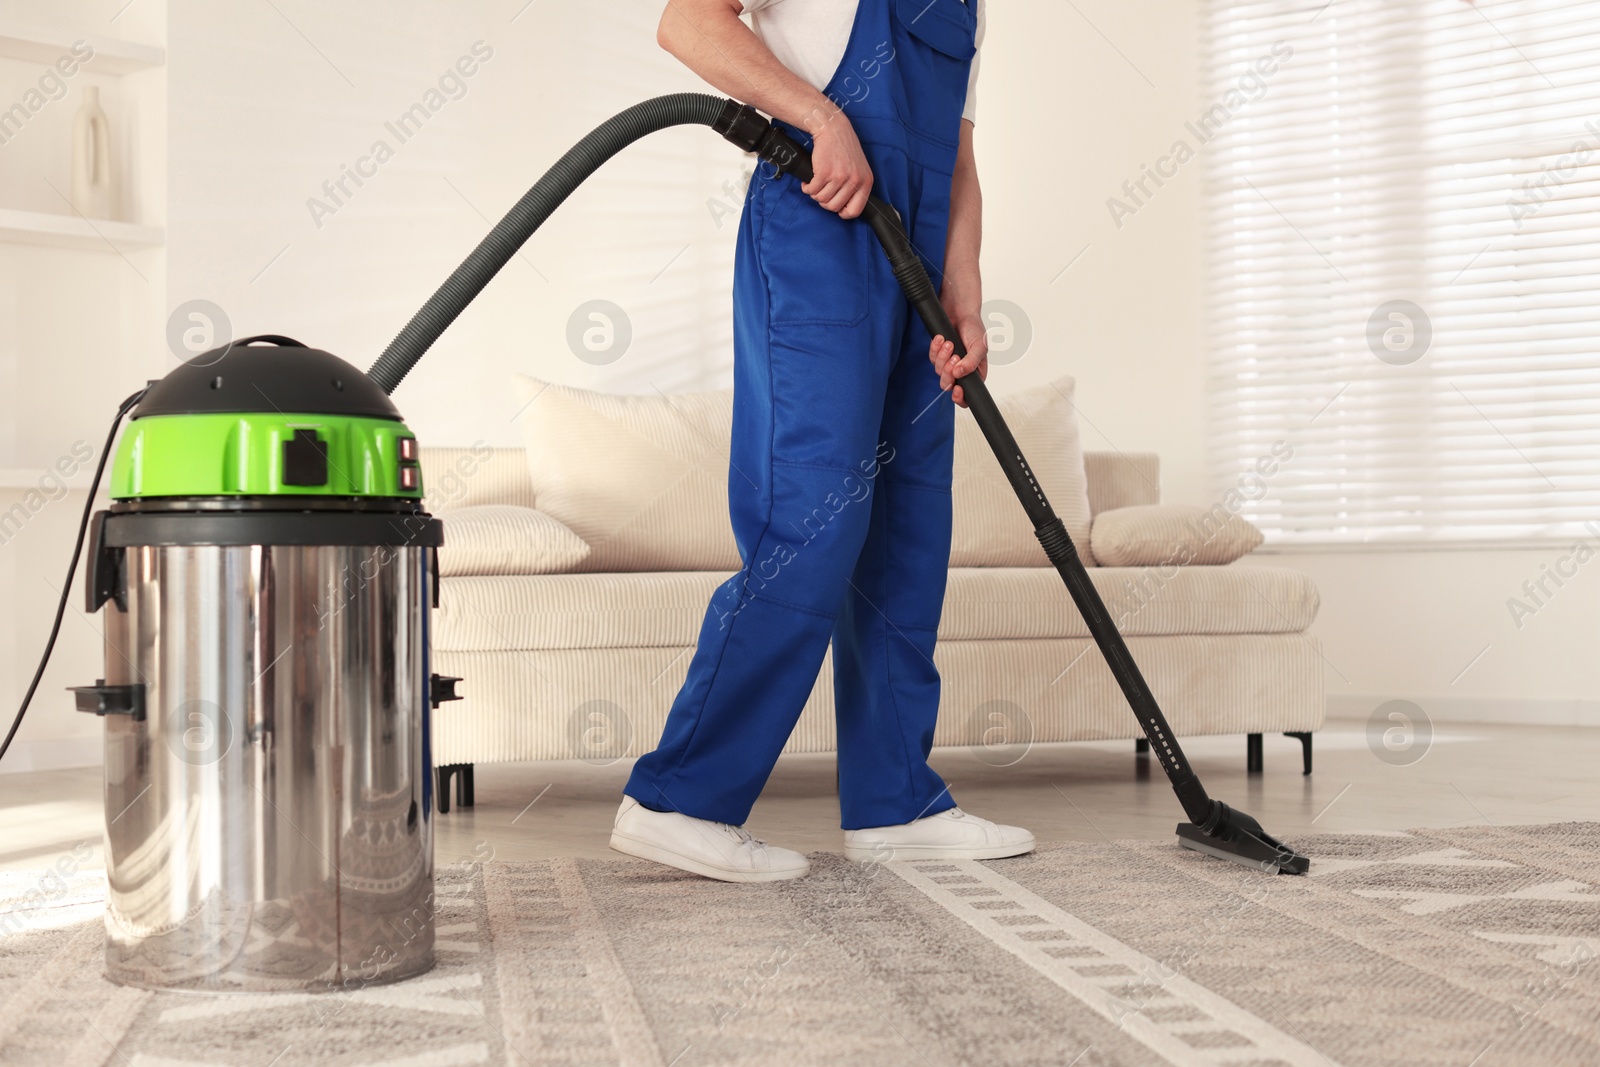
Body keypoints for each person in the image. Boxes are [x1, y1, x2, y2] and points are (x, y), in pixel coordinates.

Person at [612, 0, 1034, 882]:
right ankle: (681, 798)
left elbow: (956, 156)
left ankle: (897, 802)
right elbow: (688, 23)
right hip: (816, 238)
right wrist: (819, 115)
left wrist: (965, 297)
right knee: (811, 516)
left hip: (917, 269)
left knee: (908, 537)